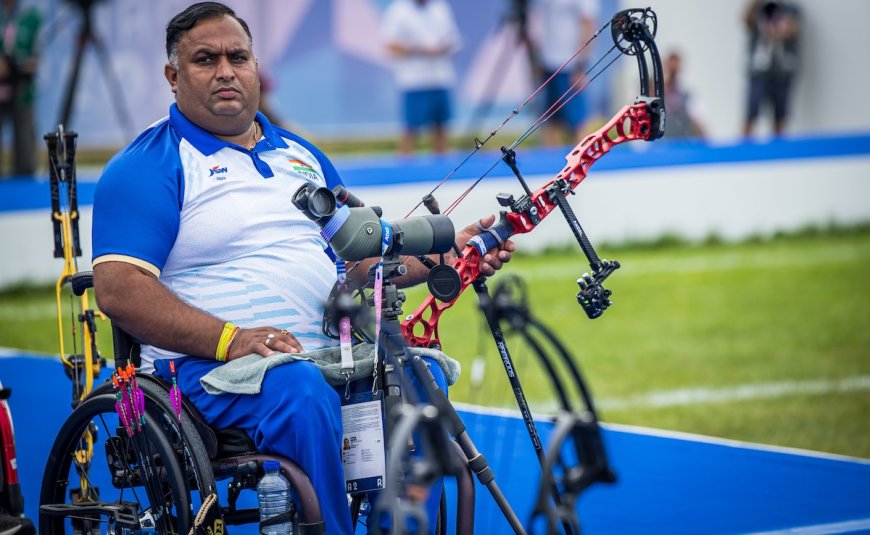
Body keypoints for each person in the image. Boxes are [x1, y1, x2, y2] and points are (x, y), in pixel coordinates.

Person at [90, 3, 514, 534]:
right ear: (173, 76)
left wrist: (450, 257)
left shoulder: (300, 154)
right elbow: (119, 290)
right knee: (301, 389)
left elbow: (362, 262)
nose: (226, 70)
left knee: (416, 375)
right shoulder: (149, 164)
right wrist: (231, 339)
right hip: (200, 374)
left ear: (256, 68)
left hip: (315, 354)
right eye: (205, 59)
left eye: (237, 57)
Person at [381, 0, 460, 155]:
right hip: (414, 80)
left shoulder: (440, 7)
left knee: (441, 127)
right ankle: (404, 169)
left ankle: (443, 169)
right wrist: (420, 49)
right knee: (411, 129)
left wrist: (442, 47)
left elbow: (453, 39)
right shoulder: (398, 10)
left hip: (441, 77)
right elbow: (390, 44)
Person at [532, 0, 600, 146]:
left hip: (571, 65)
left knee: (578, 122)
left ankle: (584, 162)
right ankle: (550, 164)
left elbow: (588, 24)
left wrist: (581, 64)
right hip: (548, 63)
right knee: (550, 121)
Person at [742, 0, 800, 138]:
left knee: (780, 115)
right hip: (758, 71)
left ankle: (779, 152)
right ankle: (742, 151)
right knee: (751, 112)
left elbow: (792, 28)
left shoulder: (790, 8)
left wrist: (776, 30)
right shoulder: (758, 9)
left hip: (782, 71)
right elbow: (746, 21)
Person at [0, 0, 40, 178]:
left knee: (24, 143)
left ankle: (25, 176)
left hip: (22, 87)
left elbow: (36, 55)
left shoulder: (31, 17)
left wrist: (22, 66)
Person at [663, 51, 707, 140]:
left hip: (681, 144)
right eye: (670, 67)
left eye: (675, 67)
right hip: (659, 146)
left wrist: (707, 143)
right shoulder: (653, 94)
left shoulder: (687, 95)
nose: (672, 70)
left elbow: (696, 121)